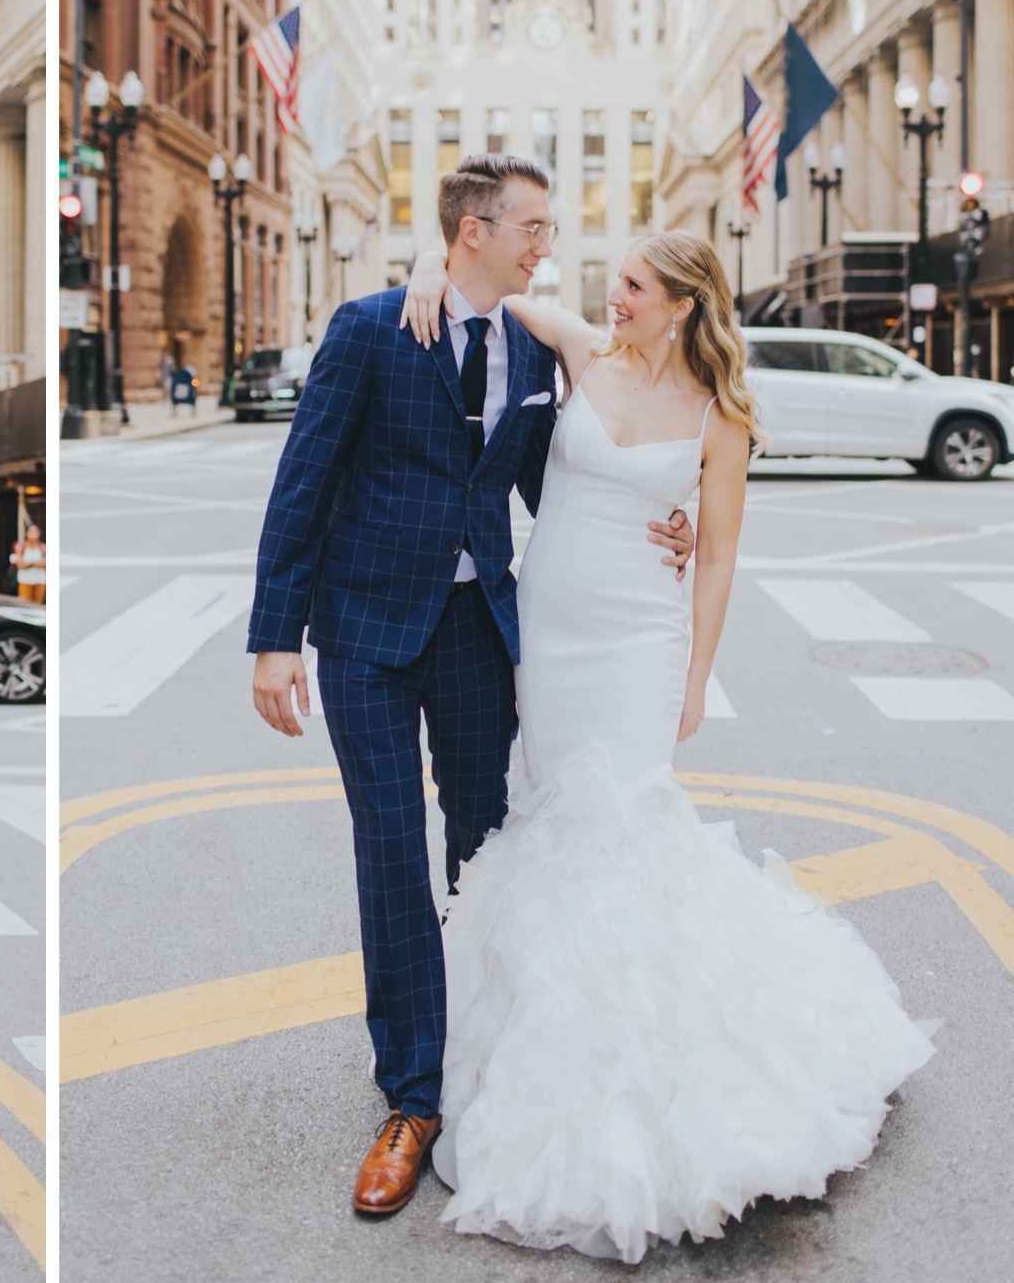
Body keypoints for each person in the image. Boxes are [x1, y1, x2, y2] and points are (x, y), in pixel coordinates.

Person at [399, 233, 933, 1262]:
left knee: (624, 824)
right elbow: (488, 295)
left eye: (635, 287)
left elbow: (721, 548)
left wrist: (691, 672)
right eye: (617, 284)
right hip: (547, 634)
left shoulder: (718, 412)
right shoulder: (578, 351)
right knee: (551, 817)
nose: (615, 296)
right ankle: (543, 1027)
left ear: (682, 304)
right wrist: (427, 268)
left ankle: (642, 1052)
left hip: (638, 642)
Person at [247, 156, 699, 1221]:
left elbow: (562, 473)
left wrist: (658, 519)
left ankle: (490, 1046)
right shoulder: (367, 329)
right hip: (360, 630)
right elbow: (302, 479)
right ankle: (412, 1093)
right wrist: (274, 638)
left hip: (475, 626)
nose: (547, 241)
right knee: (391, 849)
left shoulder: (528, 346)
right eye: (531, 226)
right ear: (470, 234)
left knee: (487, 841)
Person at [13, 524, 46, 604]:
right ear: (27, 534)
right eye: (31, 532)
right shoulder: (21, 547)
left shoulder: (43, 547)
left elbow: (46, 564)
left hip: (40, 580)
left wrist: (29, 563)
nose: (33, 534)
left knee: (38, 605)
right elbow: (20, 565)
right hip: (25, 581)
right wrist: (36, 563)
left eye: (36, 532)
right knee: (25, 605)